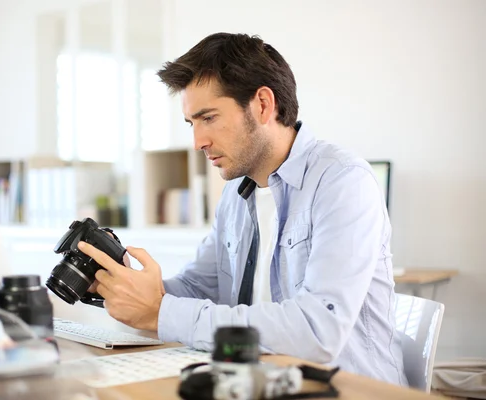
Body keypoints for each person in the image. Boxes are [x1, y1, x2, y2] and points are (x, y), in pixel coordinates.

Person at [79, 32, 407, 386]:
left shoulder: (343, 182)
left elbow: (317, 331)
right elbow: (200, 287)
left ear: (263, 105)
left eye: (209, 118)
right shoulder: (236, 193)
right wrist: (126, 286)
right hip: (260, 382)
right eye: (192, 124)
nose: (197, 142)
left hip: (346, 389)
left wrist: (160, 312)